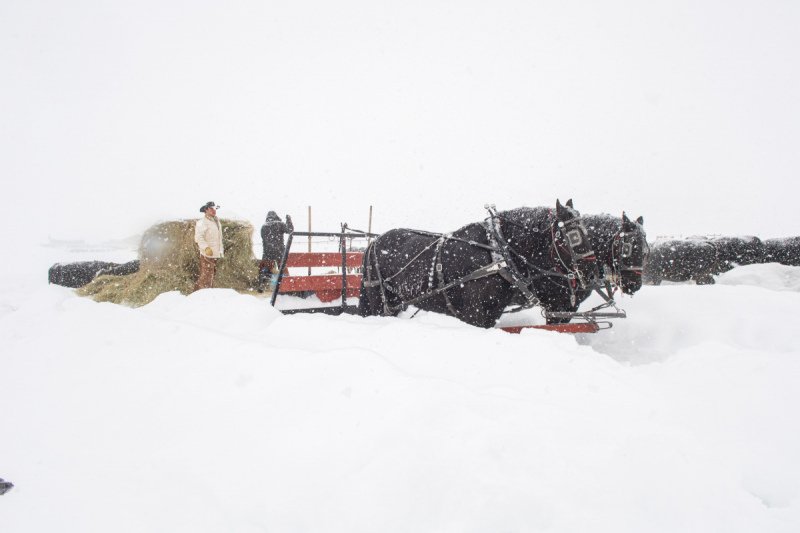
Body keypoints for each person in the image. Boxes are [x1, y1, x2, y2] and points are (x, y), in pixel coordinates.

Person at [258, 210, 293, 292]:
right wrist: (288, 220)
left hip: (267, 253)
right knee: (283, 268)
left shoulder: (263, 227)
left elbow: (265, 241)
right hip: (279, 252)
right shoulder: (279, 224)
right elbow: (290, 230)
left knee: (265, 269)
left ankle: (261, 285)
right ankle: (287, 285)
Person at [194, 201, 224, 291]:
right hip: (207, 253)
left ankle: (206, 294)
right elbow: (198, 237)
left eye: (215, 209)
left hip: (215, 253)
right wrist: (206, 248)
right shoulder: (202, 222)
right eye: (211, 209)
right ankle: (200, 295)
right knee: (206, 275)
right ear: (206, 210)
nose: (214, 210)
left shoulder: (216, 221)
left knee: (211, 275)